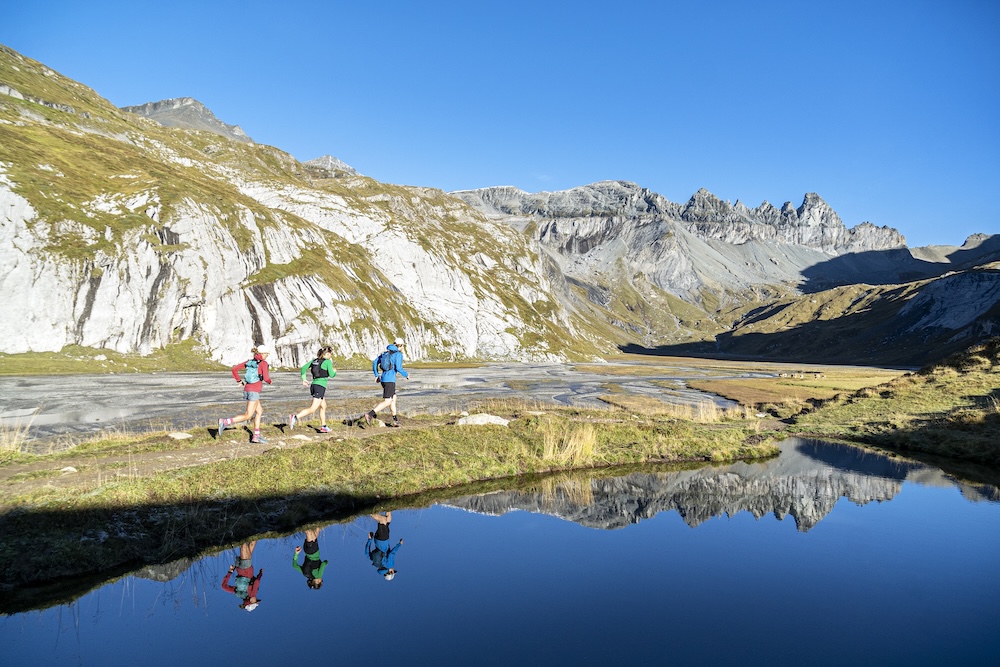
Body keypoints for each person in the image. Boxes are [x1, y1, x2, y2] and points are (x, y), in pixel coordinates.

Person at [218, 344, 273, 444]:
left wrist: (239, 381)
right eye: (266, 354)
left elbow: (234, 369)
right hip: (254, 391)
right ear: (262, 354)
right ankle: (225, 422)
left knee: (260, 411)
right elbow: (266, 378)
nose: (267, 356)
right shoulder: (263, 363)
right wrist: (270, 381)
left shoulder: (249, 362)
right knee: (248, 415)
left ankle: (256, 436)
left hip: (247, 389)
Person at [359, 337, 408, 428]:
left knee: (393, 398)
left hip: (384, 379)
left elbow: (375, 363)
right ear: (400, 346)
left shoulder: (385, 353)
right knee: (388, 401)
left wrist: (377, 375)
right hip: (390, 380)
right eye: (402, 346)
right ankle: (370, 414)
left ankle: (395, 420)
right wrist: (406, 375)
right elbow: (398, 368)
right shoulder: (398, 354)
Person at [289, 346, 336, 433]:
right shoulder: (327, 362)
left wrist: (304, 379)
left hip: (314, 385)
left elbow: (303, 368)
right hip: (320, 386)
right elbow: (332, 375)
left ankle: (324, 426)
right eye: (331, 354)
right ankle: (295, 417)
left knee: (323, 406)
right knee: (313, 409)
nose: (331, 356)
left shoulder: (314, 361)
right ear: (327, 354)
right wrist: (335, 371)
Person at [221, 541, 264, 611]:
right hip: (239, 568)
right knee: (248, 548)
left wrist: (260, 574)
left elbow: (257, 581)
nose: (256, 598)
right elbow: (224, 586)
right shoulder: (238, 593)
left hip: (247, 569)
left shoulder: (252, 594)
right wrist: (230, 572)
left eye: (255, 601)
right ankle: (254, 532)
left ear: (251, 601)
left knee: (244, 545)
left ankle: (246, 532)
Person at [364, 511, 402, 580]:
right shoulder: (376, 564)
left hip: (383, 539)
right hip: (377, 540)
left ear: (390, 572)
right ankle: (388, 507)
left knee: (383, 520)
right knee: (388, 520)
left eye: (393, 571)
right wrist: (369, 540)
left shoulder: (389, 565)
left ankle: (368, 510)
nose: (393, 569)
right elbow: (367, 554)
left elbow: (392, 554)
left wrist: (399, 544)